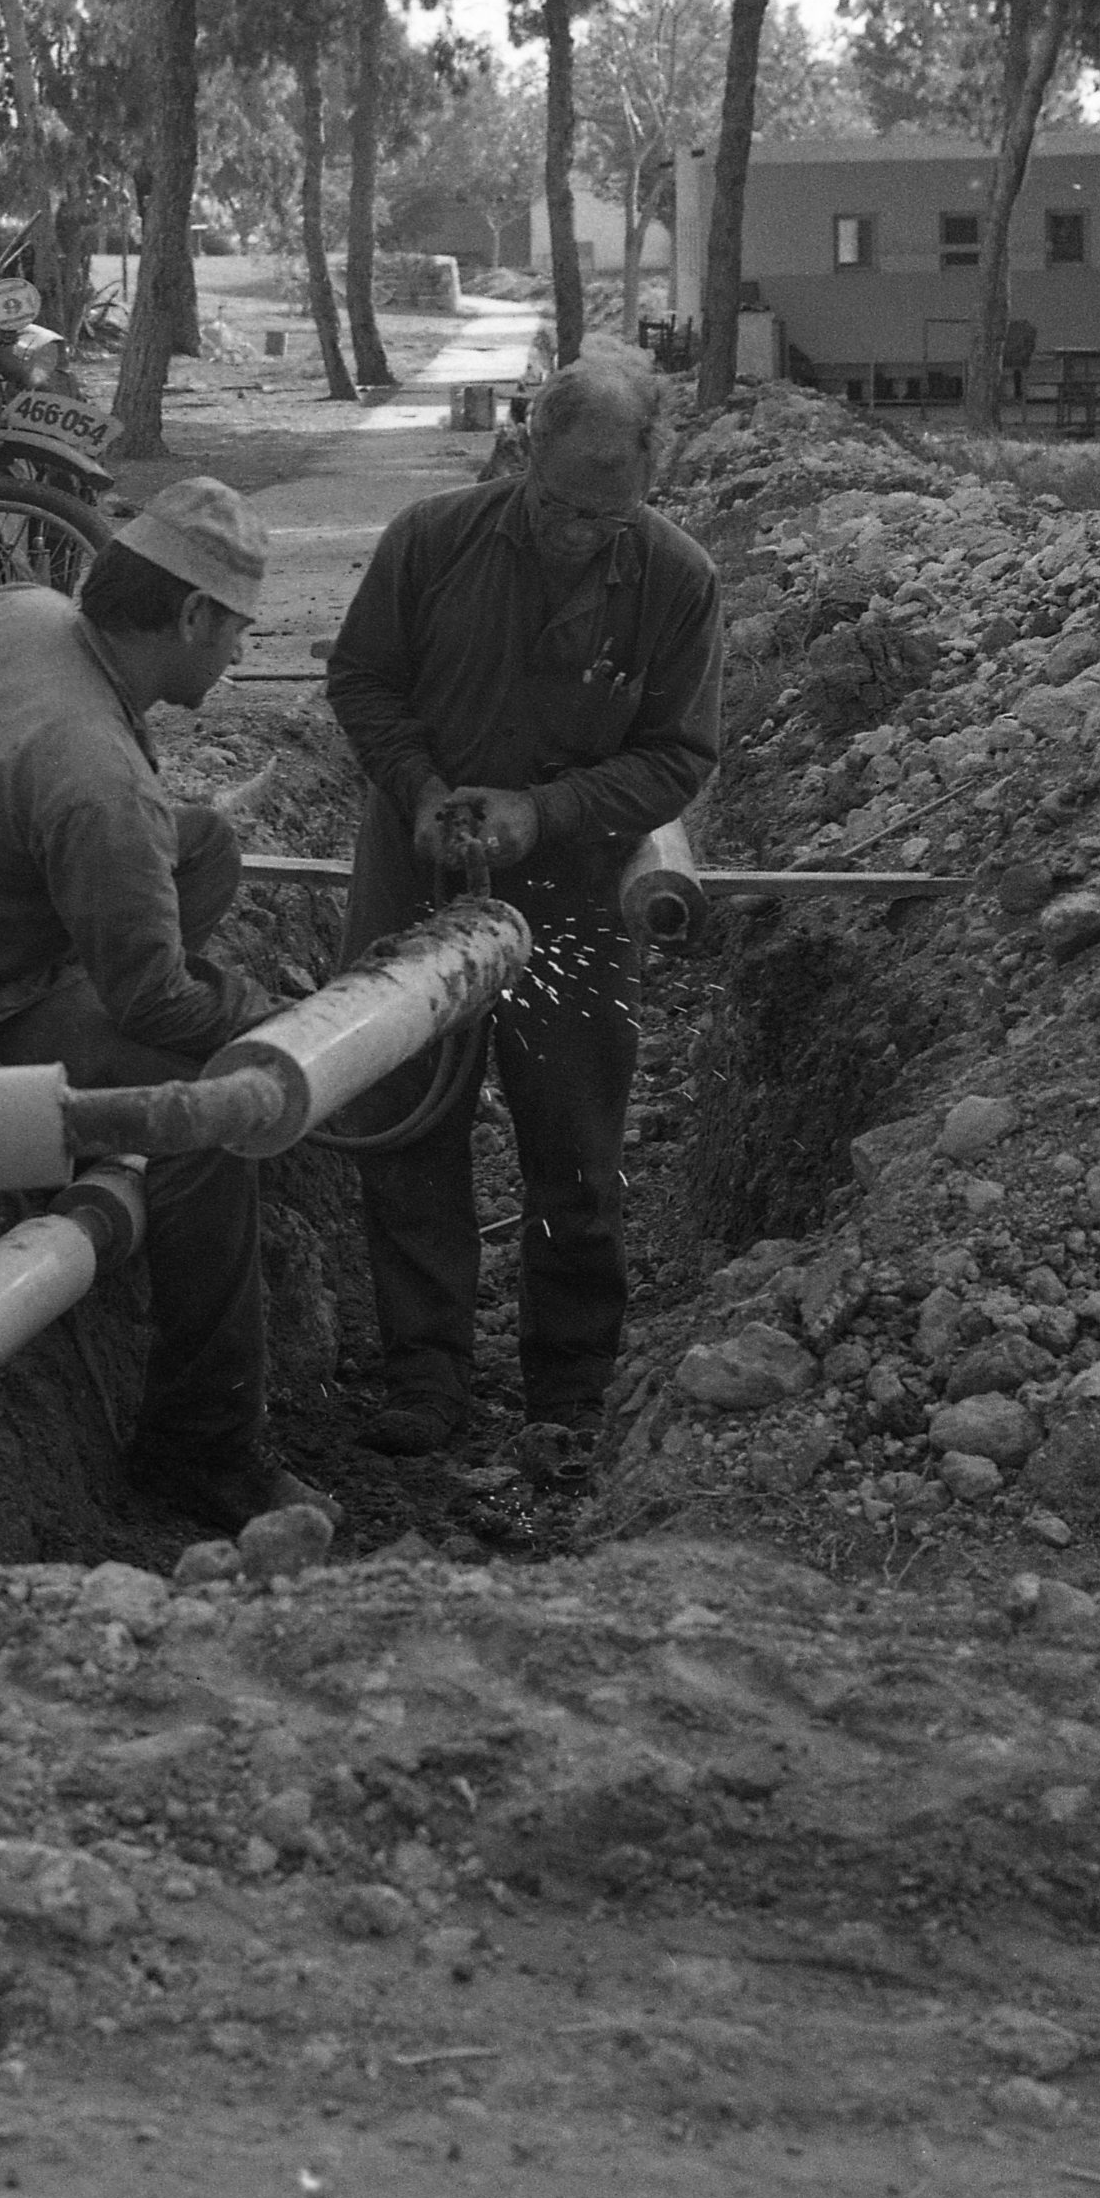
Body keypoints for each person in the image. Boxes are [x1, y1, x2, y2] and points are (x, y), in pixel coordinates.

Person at [0, 479, 323, 1540]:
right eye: (233, 634)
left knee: (204, 846)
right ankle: (200, 1446)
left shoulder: (15, 610)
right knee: (205, 1118)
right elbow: (157, 996)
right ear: (187, 616)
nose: (232, 659)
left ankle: (76, 1059)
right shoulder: (94, 776)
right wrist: (263, 1015)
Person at [324, 345, 721, 1480]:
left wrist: (542, 813)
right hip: (416, 875)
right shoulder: (429, 543)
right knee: (408, 1126)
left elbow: (679, 757)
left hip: (576, 893)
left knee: (574, 1146)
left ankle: (570, 1385)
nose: (576, 534)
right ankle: (425, 1375)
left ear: (644, 486)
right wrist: (421, 790)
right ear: (524, 451)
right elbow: (362, 681)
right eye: (558, 505)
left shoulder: (677, 581)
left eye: (608, 517)